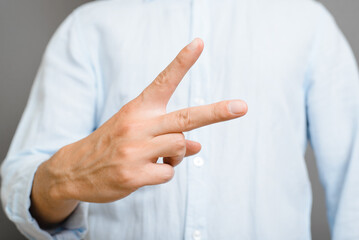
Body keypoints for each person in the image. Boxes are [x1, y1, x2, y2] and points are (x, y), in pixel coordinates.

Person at [1, 0, 359, 239]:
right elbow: (22, 181)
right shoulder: (90, 26)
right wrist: (68, 176)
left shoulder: (308, 23)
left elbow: (353, 183)